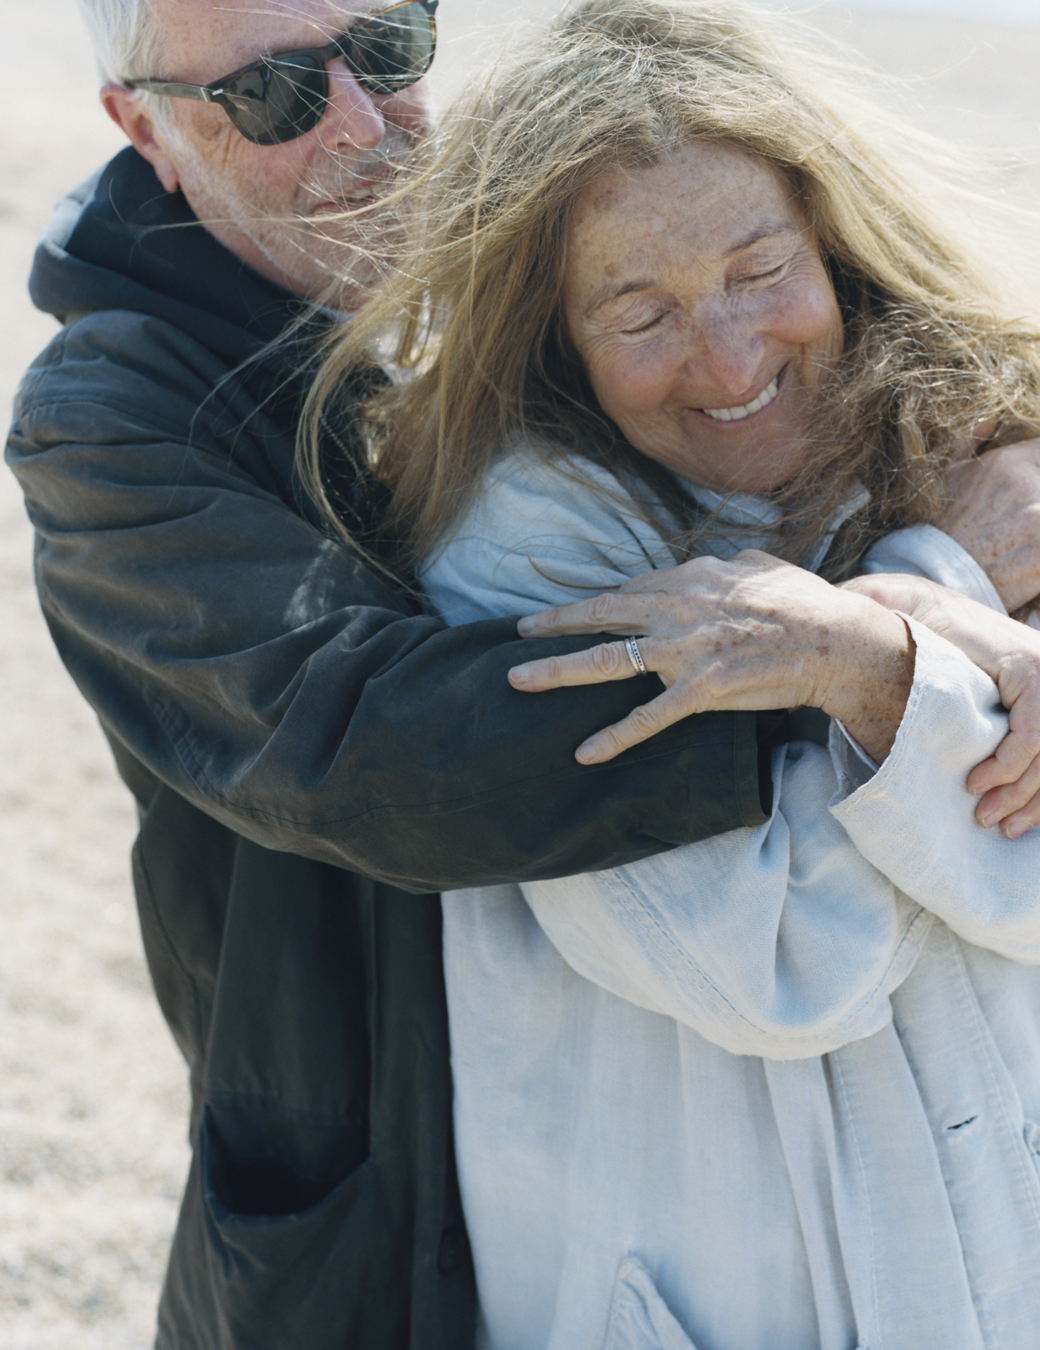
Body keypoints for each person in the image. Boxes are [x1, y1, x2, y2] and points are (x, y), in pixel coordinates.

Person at [3, 2, 807, 1347]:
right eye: (270, 97)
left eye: (383, 48)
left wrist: (985, 453)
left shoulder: (534, 234)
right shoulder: (106, 421)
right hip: (383, 1174)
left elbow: (812, 332)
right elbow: (358, 741)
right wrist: (806, 668)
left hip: (660, 1102)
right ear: (143, 129)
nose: (364, 127)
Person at [306, 1, 1040, 1345]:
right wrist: (940, 607)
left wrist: (876, 637)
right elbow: (772, 966)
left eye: (762, 268)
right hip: (699, 1295)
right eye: (640, 311)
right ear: (549, 335)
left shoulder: (979, 435)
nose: (732, 356)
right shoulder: (528, 551)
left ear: (832, 233)